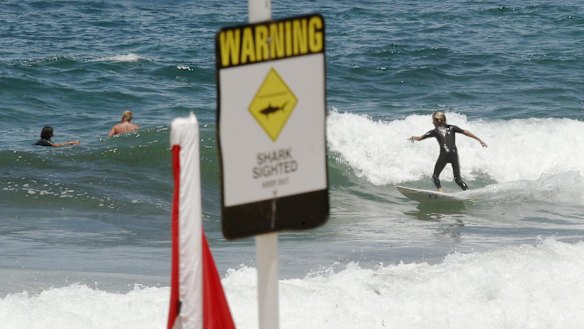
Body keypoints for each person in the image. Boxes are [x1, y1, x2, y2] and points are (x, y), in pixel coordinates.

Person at [408, 111, 487, 192]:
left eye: (433, 120)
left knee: (435, 176)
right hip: (454, 154)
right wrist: (479, 139)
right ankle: (469, 193)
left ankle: (440, 190)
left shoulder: (434, 131)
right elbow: (465, 132)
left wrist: (413, 137)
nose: (432, 122)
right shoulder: (452, 127)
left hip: (444, 154)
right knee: (458, 179)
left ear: (436, 120)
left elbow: (420, 138)